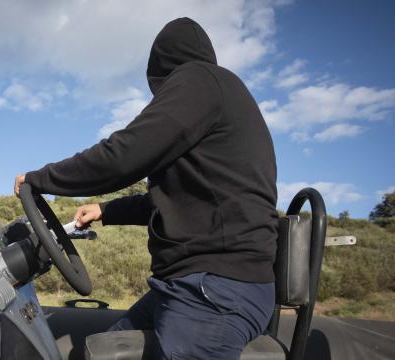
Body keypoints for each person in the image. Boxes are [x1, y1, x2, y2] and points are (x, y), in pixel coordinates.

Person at [14, 17, 277, 360]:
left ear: (161, 71)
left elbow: (125, 154)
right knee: (101, 349)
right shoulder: (217, 95)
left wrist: (43, 178)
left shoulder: (200, 80)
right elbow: (171, 199)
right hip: (190, 283)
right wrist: (104, 211)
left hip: (216, 287)